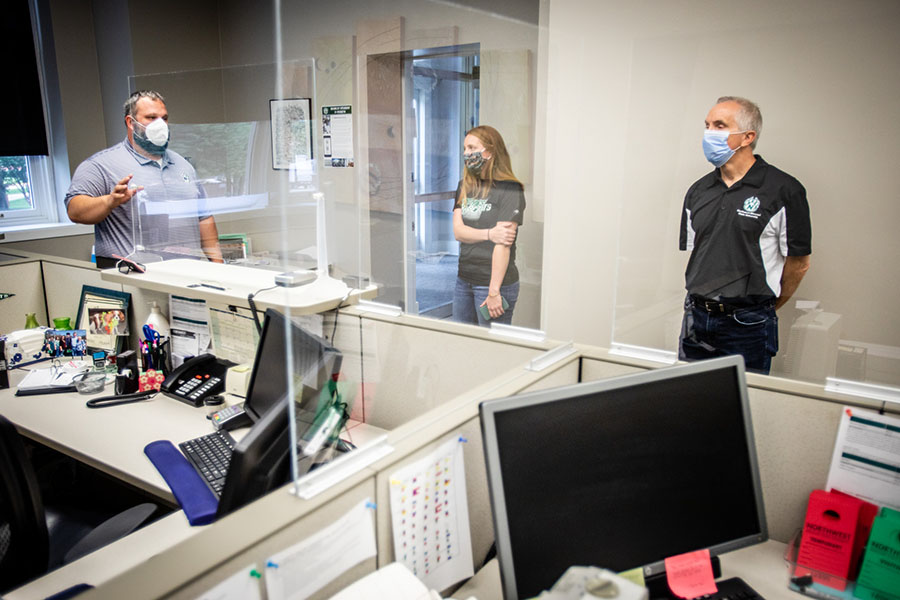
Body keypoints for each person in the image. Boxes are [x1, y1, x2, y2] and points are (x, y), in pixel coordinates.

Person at [679, 96, 812, 374]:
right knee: (689, 404)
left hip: (747, 324)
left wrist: (764, 308)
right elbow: (700, 254)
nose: (709, 133)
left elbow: (799, 264)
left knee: (744, 404)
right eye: (707, 125)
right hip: (696, 317)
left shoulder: (784, 190)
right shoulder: (698, 191)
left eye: (719, 125)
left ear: (747, 136)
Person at [65, 90, 223, 268]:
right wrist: (109, 201)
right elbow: (74, 210)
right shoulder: (100, 165)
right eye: (151, 117)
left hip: (189, 276)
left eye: (164, 118)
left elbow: (204, 218)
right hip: (135, 276)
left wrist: (219, 267)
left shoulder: (183, 165)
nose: (160, 124)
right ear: (130, 122)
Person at [452, 125, 525, 326]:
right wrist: (490, 234)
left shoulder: (510, 189)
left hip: (494, 285)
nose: (467, 154)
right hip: (464, 279)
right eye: (465, 149)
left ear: (490, 151)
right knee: (461, 342)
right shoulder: (464, 185)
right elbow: (458, 232)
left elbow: (503, 243)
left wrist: (494, 291)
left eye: (472, 148)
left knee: (491, 348)